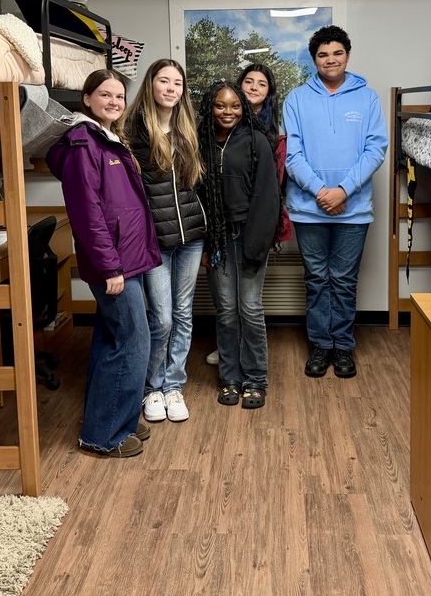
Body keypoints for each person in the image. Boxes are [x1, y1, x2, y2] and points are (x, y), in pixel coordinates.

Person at [45, 69, 160, 457]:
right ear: (87, 99)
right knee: (134, 342)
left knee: (111, 338)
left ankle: (115, 418)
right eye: (105, 95)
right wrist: (110, 267)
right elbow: (87, 213)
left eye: (119, 96)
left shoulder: (106, 139)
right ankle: (104, 435)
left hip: (128, 256)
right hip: (114, 263)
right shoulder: (83, 144)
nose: (114, 102)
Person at [283, 26, 388, 379]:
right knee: (316, 279)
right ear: (314, 60)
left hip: (353, 208)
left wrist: (343, 190)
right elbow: (292, 154)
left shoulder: (367, 98)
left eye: (337, 53)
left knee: (343, 280)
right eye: (323, 54)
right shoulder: (296, 99)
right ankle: (320, 344)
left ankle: (343, 346)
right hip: (307, 208)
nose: (331, 60)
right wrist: (321, 192)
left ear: (347, 55)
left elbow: (376, 149)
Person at [119, 59, 205, 423]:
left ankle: (174, 386)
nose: (171, 88)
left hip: (192, 236)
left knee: (184, 314)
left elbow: (198, 184)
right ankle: (152, 388)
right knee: (163, 318)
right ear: (151, 85)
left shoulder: (188, 129)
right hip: (156, 241)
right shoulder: (132, 131)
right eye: (164, 81)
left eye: (177, 83)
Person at [198, 80, 280, 409]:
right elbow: (198, 196)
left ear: (243, 108)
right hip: (216, 237)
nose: (227, 112)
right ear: (210, 107)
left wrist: (256, 245)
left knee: (250, 308)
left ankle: (256, 379)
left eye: (234, 105)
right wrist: (205, 245)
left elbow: (268, 196)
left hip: (249, 234)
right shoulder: (202, 141)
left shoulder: (256, 139)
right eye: (220, 105)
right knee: (226, 310)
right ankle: (230, 377)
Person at [205, 62, 291, 367]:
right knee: (226, 303)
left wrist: (259, 234)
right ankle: (230, 357)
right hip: (220, 228)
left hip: (254, 223)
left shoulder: (266, 136)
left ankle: (252, 366)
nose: (254, 87)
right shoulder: (210, 135)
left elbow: (269, 190)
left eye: (261, 84)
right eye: (249, 81)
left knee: (249, 303)